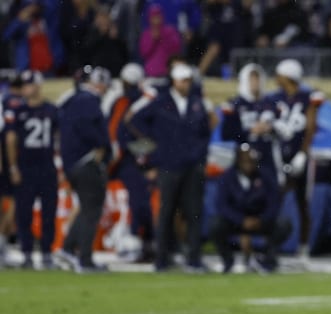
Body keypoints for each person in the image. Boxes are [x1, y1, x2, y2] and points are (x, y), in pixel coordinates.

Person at [129, 63, 213, 272]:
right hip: (168, 164)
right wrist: (154, 147)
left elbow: (205, 131)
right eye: (183, 80)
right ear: (174, 81)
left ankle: (194, 259)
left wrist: (200, 155)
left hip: (192, 165)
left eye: (188, 81)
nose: (187, 84)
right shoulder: (161, 102)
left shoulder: (196, 103)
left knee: (194, 212)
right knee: (166, 212)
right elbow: (134, 121)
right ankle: (161, 259)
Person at [260, 59, 324, 266]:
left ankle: (303, 249)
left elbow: (311, 126)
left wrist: (303, 153)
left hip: (300, 154)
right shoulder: (273, 99)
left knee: (302, 202)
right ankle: (271, 250)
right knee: (274, 202)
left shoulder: (308, 98)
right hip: (279, 156)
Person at [55, 65, 112, 272]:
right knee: (91, 211)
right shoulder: (88, 100)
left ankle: (68, 249)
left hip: (74, 162)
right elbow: (89, 128)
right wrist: (101, 146)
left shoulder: (74, 100)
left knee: (87, 209)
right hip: (85, 161)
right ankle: (84, 259)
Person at [4, 70, 58, 269]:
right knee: (24, 213)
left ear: (37, 86)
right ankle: (27, 253)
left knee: (48, 213)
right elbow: (11, 140)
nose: (25, 88)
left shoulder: (52, 110)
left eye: (28, 84)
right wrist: (13, 167)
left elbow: (59, 138)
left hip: (47, 167)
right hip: (26, 168)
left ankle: (46, 253)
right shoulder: (17, 110)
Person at [210, 143, 287, 274]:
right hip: (236, 221)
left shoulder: (265, 176)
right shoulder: (227, 177)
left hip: (260, 220)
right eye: (244, 160)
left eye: (251, 160)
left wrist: (261, 219)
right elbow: (222, 205)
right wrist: (241, 220)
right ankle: (228, 261)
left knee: (283, 224)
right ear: (238, 160)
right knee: (216, 224)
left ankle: (267, 259)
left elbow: (274, 203)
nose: (248, 164)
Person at [107, 63, 154, 261]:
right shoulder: (138, 100)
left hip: (138, 159)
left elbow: (116, 134)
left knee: (142, 203)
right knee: (139, 203)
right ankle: (139, 242)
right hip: (135, 159)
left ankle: (145, 242)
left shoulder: (131, 101)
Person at [220, 63, 275, 176]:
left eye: (257, 79)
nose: (255, 83)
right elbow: (226, 133)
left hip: (267, 155)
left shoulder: (270, 103)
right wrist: (250, 131)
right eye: (251, 79)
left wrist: (271, 128)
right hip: (244, 158)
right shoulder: (234, 104)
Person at [0, 73, 25, 265]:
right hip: (7, 160)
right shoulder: (13, 103)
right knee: (15, 199)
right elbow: (8, 137)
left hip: (8, 159)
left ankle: (3, 246)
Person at [139, 4, 182, 78]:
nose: (156, 19)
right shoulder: (146, 34)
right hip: (150, 73)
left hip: (167, 72)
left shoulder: (170, 31)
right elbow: (143, 53)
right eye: (153, 17)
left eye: (158, 16)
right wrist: (153, 40)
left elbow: (176, 50)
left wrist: (162, 37)